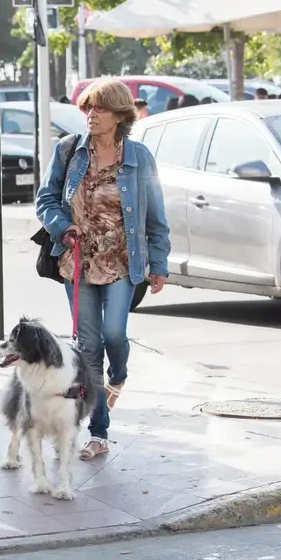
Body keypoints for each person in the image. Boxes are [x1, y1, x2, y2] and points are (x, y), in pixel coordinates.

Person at [36, 78, 170, 462]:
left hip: (123, 262)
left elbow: (155, 215)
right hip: (77, 260)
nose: (91, 116)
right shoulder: (68, 152)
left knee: (115, 334)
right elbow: (45, 199)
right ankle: (99, 432)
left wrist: (158, 264)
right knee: (88, 347)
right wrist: (63, 226)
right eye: (88, 109)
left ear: (120, 115)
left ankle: (119, 375)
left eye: (100, 109)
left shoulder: (139, 157)